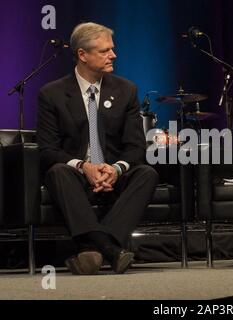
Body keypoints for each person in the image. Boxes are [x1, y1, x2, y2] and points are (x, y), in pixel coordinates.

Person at [37, 22, 159, 275]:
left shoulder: (126, 90)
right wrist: (83, 166)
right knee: (57, 171)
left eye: (112, 49)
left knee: (147, 173)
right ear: (82, 55)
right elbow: (47, 149)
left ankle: (91, 249)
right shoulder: (52, 94)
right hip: (76, 177)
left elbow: (136, 146)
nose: (113, 55)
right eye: (104, 51)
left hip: (112, 176)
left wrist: (115, 169)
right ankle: (111, 249)